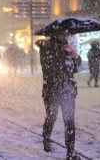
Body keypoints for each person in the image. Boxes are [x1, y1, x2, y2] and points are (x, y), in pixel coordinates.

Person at [35, 29, 81, 160]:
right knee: (51, 116)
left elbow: (75, 69)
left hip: (68, 91)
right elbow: (50, 67)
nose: (65, 36)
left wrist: (75, 57)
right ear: (55, 34)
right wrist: (64, 51)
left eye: (66, 34)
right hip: (52, 90)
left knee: (69, 121)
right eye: (62, 33)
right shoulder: (46, 48)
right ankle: (46, 140)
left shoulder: (66, 48)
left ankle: (70, 152)